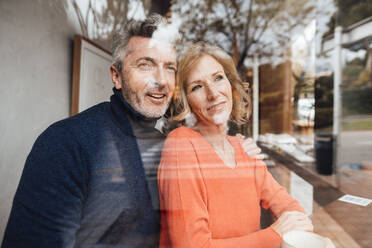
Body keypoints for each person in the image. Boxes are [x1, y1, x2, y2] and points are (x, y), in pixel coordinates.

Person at [2, 14, 261, 248]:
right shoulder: (65, 143)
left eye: (169, 67)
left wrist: (239, 149)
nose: (161, 80)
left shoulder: (176, 147)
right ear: (116, 76)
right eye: (146, 65)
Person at [158, 42, 314, 248]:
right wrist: (275, 235)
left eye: (218, 78)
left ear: (231, 85)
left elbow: (288, 206)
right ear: (186, 101)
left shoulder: (243, 149)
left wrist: (295, 222)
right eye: (197, 86)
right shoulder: (181, 145)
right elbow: (192, 245)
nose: (213, 93)